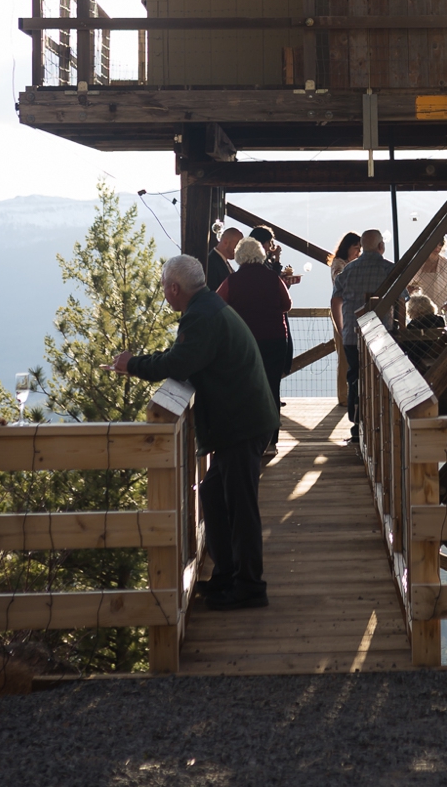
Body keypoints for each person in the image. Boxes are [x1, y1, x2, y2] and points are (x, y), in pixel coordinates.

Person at [113, 255, 278, 610]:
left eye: (163, 288)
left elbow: (178, 362)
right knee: (215, 494)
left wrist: (132, 364)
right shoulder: (207, 307)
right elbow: (185, 355)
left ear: (174, 288)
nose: (163, 294)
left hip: (241, 424)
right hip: (245, 419)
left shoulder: (202, 316)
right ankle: (227, 574)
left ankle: (249, 586)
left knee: (241, 506)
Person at [329, 229, 396, 444]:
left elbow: (335, 301)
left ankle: (357, 428)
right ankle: (381, 426)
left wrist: (342, 329)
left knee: (355, 379)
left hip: (352, 335)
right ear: (380, 247)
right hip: (382, 336)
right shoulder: (389, 269)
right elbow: (402, 298)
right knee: (381, 380)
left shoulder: (347, 271)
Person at [219, 237, 294, 413]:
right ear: (261, 255)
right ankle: (272, 434)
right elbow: (287, 305)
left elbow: (218, 306)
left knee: (245, 385)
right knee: (272, 385)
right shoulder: (273, 278)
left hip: (243, 342)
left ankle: (251, 432)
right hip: (275, 339)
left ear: (239, 256)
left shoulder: (232, 281)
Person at [408, 238, 447, 322]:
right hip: (419, 311)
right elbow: (406, 285)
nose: (438, 246)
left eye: (440, 243)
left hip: (439, 311)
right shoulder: (416, 264)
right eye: (434, 243)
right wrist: (410, 291)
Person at [205, 226, 242, 293]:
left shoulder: (223, 262)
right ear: (225, 242)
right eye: (238, 245)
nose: (239, 250)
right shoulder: (211, 263)